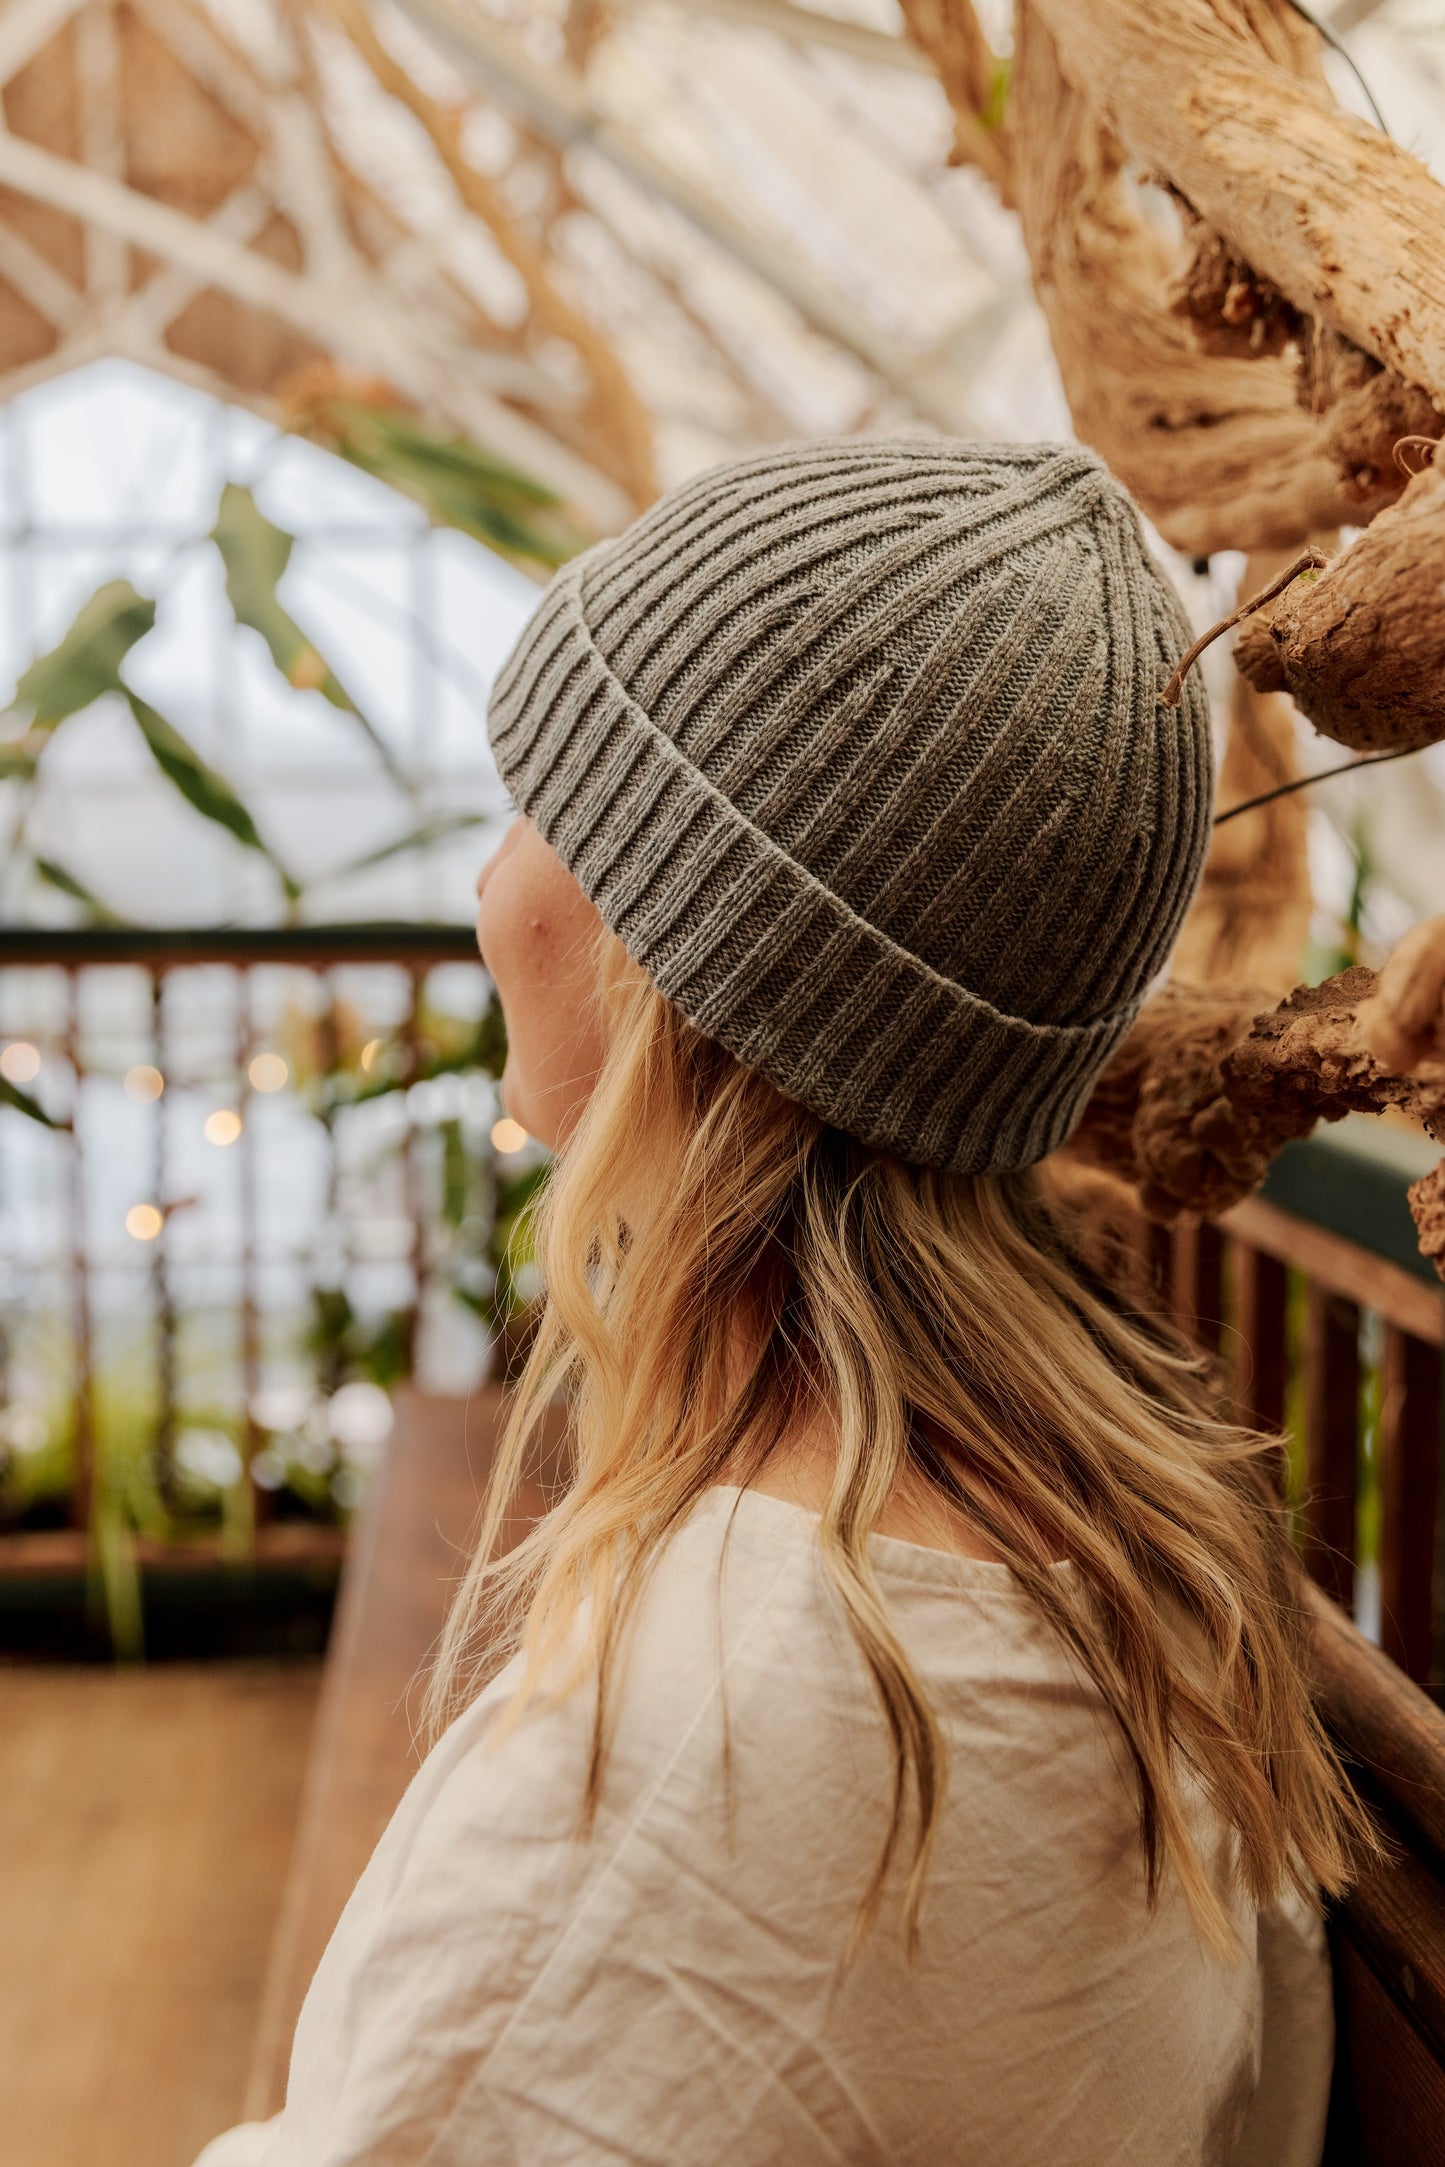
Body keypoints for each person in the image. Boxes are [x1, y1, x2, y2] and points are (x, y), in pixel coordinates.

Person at [197, 439, 1363, 2167]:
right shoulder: (1124, 1545)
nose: (488, 883)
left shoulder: (708, 1764)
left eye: (551, 804)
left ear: (688, 959)